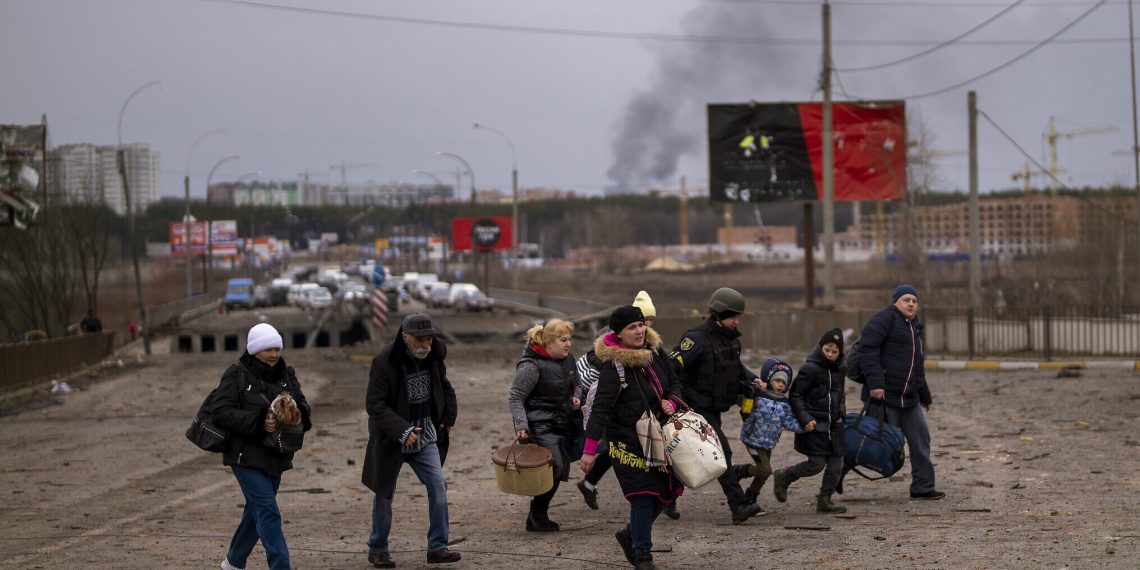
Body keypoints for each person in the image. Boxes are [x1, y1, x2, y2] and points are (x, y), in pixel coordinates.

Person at [582, 306, 682, 570]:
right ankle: (642, 555)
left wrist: (670, 400)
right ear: (619, 334)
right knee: (643, 495)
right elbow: (600, 408)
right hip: (626, 442)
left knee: (667, 492)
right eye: (632, 328)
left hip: (660, 436)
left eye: (640, 325)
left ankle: (630, 534)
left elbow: (674, 382)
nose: (639, 331)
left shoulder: (656, 352)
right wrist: (590, 449)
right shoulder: (613, 366)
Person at [362, 313, 461, 567]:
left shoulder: (435, 356)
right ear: (404, 337)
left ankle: (438, 546)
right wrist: (402, 431)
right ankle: (378, 548)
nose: (424, 345)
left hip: (425, 435)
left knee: (438, 484)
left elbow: (445, 386)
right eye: (419, 340)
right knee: (384, 493)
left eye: (428, 339)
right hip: (391, 439)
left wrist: (448, 416)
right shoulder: (384, 361)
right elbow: (375, 404)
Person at [212, 323, 312, 570]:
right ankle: (281, 566)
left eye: (276, 348)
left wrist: (299, 415)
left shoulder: (286, 374)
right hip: (244, 456)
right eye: (267, 348)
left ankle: (233, 562)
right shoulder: (236, 374)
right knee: (268, 511)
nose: (273, 354)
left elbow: (303, 405)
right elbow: (220, 412)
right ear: (254, 349)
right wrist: (259, 423)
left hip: (277, 456)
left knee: (255, 512)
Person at [669, 287, 765, 524]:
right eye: (733, 316)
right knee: (721, 452)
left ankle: (666, 497)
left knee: (688, 455)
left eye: (738, 316)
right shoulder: (696, 339)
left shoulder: (730, 341)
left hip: (713, 407)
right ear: (719, 314)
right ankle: (739, 505)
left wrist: (753, 379)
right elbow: (672, 367)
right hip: (693, 408)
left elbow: (736, 368)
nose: (737, 321)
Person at [856, 284, 944, 500]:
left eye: (914, 301)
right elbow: (867, 350)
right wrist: (876, 383)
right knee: (873, 443)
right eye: (906, 300)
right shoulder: (884, 319)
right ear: (895, 301)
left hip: (910, 399)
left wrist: (925, 395)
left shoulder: (916, 328)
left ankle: (922, 487)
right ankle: (835, 477)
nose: (911, 304)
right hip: (884, 397)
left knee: (921, 441)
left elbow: (917, 365)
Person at [508, 318, 580, 532]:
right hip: (540, 426)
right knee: (555, 468)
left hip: (564, 423)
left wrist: (576, 396)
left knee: (557, 469)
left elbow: (578, 384)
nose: (568, 344)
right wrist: (521, 424)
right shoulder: (531, 366)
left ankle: (536, 516)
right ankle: (538, 515)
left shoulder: (569, 360)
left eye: (569, 339)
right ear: (547, 343)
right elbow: (516, 397)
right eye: (562, 340)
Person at [772, 328, 848, 513]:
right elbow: (796, 395)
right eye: (827, 350)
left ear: (839, 353)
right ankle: (785, 475)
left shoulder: (840, 369)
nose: (830, 354)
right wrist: (805, 418)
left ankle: (825, 499)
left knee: (836, 465)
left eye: (834, 351)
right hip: (815, 426)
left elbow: (840, 394)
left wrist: (841, 413)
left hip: (834, 426)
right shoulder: (810, 369)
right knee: (816, 464)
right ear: (820, 348)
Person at [732, 358, 803, 510]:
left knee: (763, 473)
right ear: (769, 379)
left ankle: (751, 497)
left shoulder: (785, 404)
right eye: (777, 380)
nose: (780, 384)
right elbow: (741, 401)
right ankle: (739, 471)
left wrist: (805, 426)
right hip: (752, 440)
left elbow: (789, 422)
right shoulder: (758, 395)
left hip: (768, 443)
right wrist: (751, 390)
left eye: (784, 383)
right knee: (766, 470)